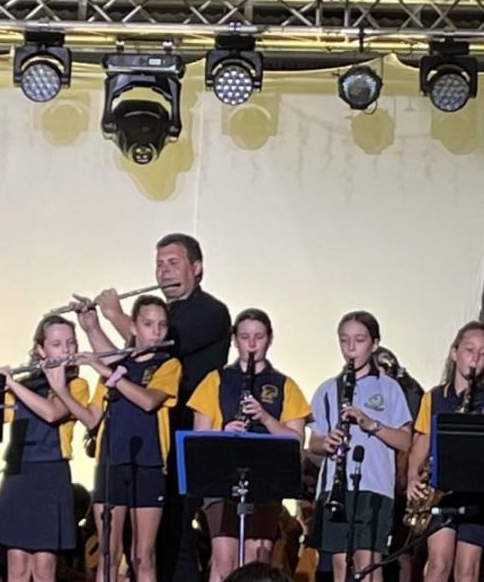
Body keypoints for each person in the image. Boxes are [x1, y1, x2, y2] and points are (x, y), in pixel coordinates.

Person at [95, 233, 231, 582]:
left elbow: (155, 343)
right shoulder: (164, 311)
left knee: (175, 533)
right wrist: (92, 326)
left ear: (196, 268)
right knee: (137, 541)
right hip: (144, 435)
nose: (164, 271)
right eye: (159, 264)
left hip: (185, 433)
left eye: (173, 263)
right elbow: (127, 362)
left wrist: (114, 314)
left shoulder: (210, 311)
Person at [59, 295, 182, 582]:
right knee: (108, 553)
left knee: (143, 555)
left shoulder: (167, 364)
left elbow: (149, 401)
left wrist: (109, 374)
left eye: (162, 325)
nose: (156, 331)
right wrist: (61, 389)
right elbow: (92, 419)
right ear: (134, 328)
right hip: (111, 462)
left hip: (149, 464)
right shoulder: (117, 364)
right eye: (148, 324)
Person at [187, 308, 311, 582]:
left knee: (259, 555)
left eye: (259, 337)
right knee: (223, 558)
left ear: (270, 339)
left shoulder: (284, 385)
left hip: (265, 481)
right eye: (245, 337)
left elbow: (296, 441)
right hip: (221, 482)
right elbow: (199, 438)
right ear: (234, 340)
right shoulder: (215, 380)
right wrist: (224, 431)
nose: (252, 344)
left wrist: (265, 417)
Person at [0, 315, 90, 582]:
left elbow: (53, 413)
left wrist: (12, 384)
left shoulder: (76, 385)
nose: (66, 350)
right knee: (17, 565)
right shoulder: (24, 385)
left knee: (44, 568)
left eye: (71, 343)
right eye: (56, 344)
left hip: (50, 475)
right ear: (41, 350)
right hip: (19, 474)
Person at [308, 311, 412, 582]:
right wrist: (326, 441)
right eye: (344, 341)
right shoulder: (328, 389)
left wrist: (370, 424)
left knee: (368, 564)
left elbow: (405, 440)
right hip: (335, 486)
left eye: (359, 340)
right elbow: (313, 443)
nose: (351, 348)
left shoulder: (389, 388)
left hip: (373, 487)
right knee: (340, 564)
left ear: (374, 344)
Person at [406, 321, 484, 582]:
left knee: (467, 570)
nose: (475, 358)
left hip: (478, 493)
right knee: (437, 564)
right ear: (454, 352)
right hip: (441, 492)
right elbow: (423, 437)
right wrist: (413, 474)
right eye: (470, 349)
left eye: (483, 352)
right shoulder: (434, 396)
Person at [371, 347, 423, 582]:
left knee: (402, 550)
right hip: (374, 478)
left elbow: (411, 440)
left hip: (400, 483)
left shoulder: (410, 392)